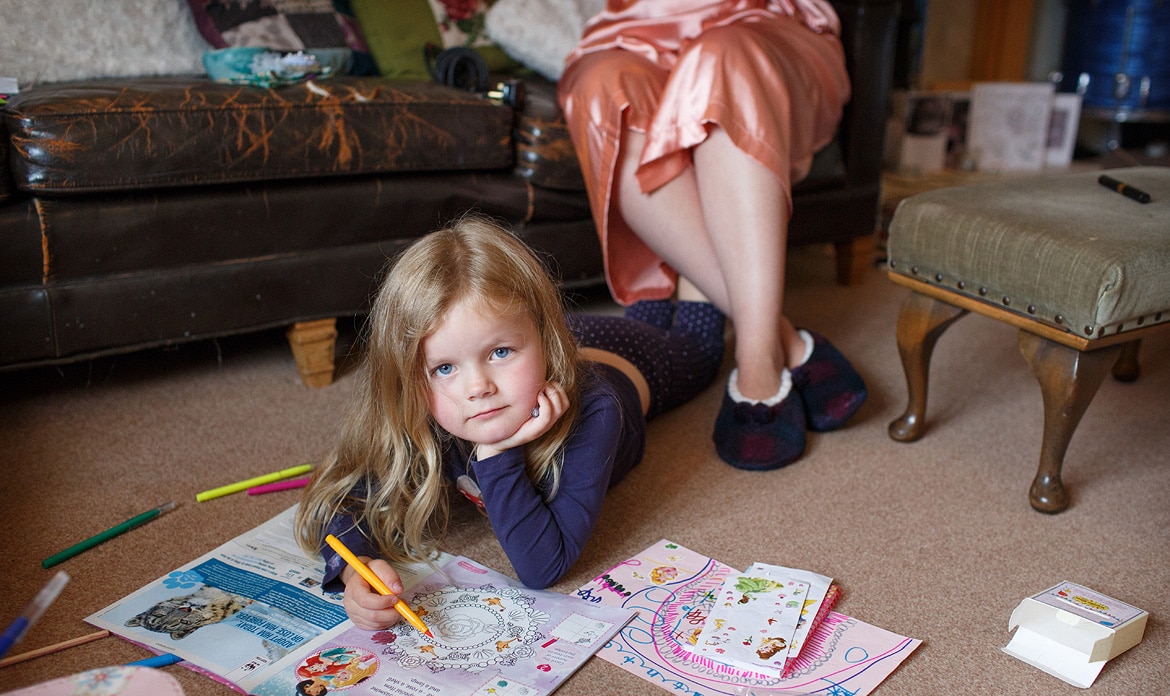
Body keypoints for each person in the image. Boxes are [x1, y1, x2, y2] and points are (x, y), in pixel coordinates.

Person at [294, 216, 726, 630]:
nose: (477, 387)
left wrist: (497, 451)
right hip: (550, 338)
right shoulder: (427, 411)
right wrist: (357, 571)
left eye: (500, 354)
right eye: (444, 368)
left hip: (630, 362)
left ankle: (680, 255)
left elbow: (542, 567)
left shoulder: (598, 410)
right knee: (503, 334)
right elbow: (341, 497)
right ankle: (645, 297)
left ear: (544, 340)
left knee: (700, 349)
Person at [557, 0, 868, 471]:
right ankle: (781, 336)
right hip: (637, 27)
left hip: (765, 21)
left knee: (723, 59)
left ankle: (759, 360)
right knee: (604, 89)